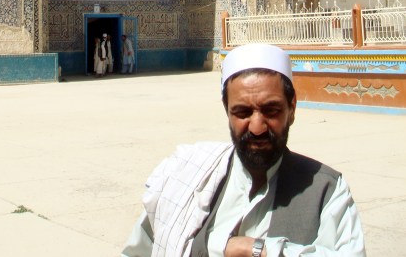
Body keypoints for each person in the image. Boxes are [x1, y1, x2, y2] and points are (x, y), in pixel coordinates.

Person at [122, 43, 366, 256]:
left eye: (271, 111)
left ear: (292, 109)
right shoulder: (183, 178)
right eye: (242, 112)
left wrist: (253, 250)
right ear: (226, 110)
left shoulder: (326, 191)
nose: (257, 127)